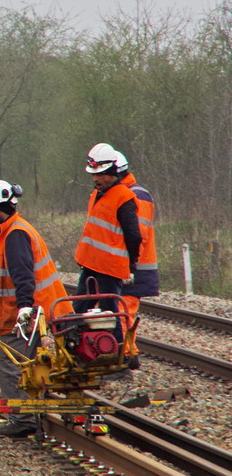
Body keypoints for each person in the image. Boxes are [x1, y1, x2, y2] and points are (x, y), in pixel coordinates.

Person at [0, 180, 71, 437]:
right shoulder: (12, 230)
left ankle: (23, 418)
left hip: (28, 313)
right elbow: (15, 265)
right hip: (38, 310)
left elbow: (24, 277)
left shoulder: (15, 234)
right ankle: (33, 412)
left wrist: (24, 310)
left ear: (4, 206)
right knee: (31, 365)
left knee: (9, 362)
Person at [73, 144, 141, 335]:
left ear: (112, 172)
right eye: (93, 174)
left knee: (109, 316)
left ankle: (118, 349)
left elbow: (134, 236)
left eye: (100, 174)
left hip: (110, 269)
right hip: (91, 265)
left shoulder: (124, 198)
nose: (96, 178)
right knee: (78, 314)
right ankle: (81, 348)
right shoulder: (97, 194)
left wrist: (131, 265)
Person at [115, 151, 157, 370]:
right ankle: (127, 355)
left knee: (122, 312)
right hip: (124, 265)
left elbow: (137, 235)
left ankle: (126, 357)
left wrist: (128, 266)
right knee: (120, 311)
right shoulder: (122, 193)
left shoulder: (137, 195)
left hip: (133, 267)